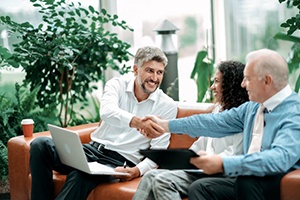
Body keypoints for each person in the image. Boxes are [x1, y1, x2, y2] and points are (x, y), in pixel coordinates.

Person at [142, 48, 300, 200]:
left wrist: (223, 163)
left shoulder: (294, 113)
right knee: (201, 187)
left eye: (248, 79)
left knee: (243, 182)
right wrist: (165, 126)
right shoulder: (253, 107)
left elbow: (279, 158)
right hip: (243, 179)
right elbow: (214, 122)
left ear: (267, 80)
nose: (243, 84)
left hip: (270, 182)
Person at [29, 46, 178, 200]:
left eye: (159, 72)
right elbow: (107, 112)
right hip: (90, 151)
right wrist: (138, 123)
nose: (154, 77)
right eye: (149, 70)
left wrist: (137, 171)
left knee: (81, 175)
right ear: (135, 69)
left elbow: (159, 151)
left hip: (118, 162)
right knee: (40, 145)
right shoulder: (117, 84)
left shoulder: (167, 106)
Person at [132, 60, 249, 200]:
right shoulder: (218, 109)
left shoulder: (242, 116)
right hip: (201, 170)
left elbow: (234, 154)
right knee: (150, 175)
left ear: (231, 85)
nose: (212, 87)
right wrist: (184, 158)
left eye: (217, 81)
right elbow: (203, 142)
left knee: (163, 181)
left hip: (221, 173)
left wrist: (205, 161)